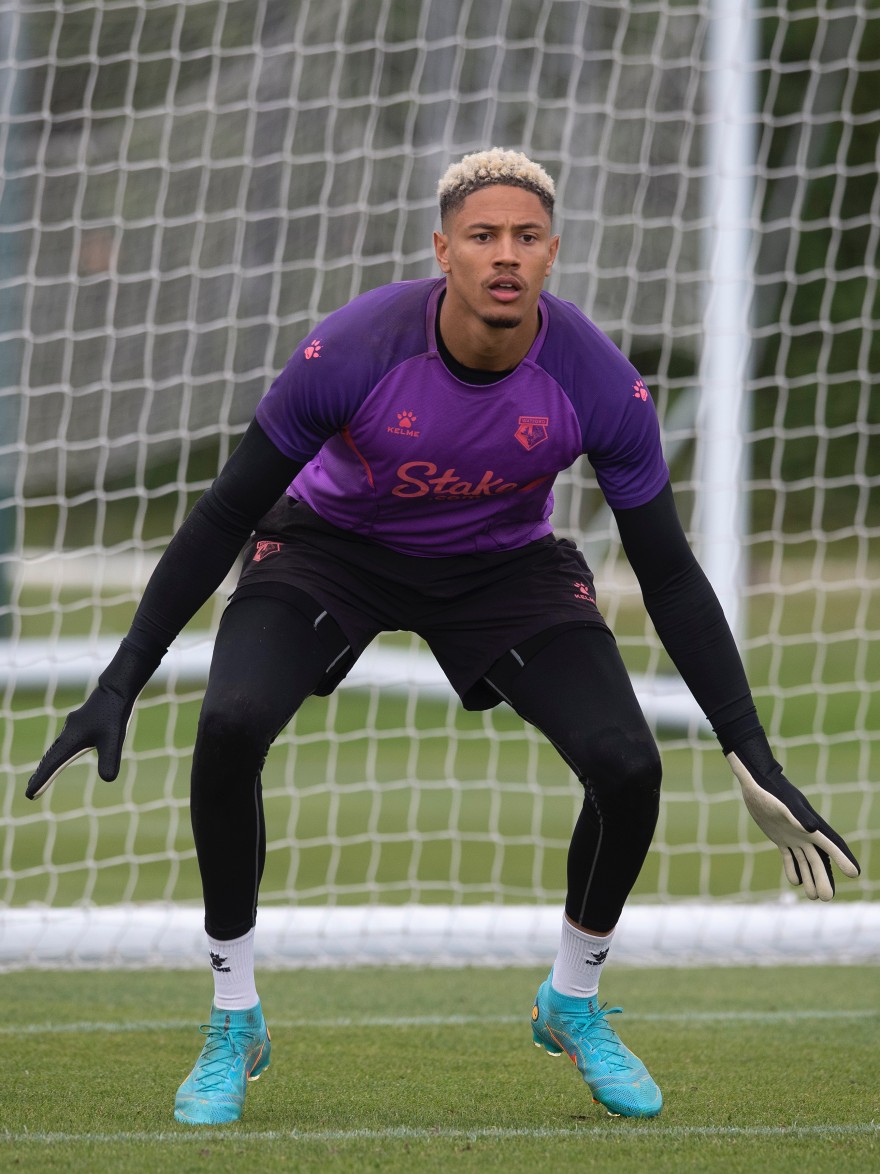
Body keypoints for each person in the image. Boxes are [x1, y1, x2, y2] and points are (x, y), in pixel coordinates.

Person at [26, 148, 860, 1125]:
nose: (504, 254)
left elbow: (669, 573)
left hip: (502, 567)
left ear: (552, 253)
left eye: (525, 236)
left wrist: (750, 751)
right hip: (330, 550)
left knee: (629, 764)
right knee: (231, 720)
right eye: (482, 235)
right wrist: (121, 680)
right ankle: (232, 1016)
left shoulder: (595, 381)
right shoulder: (355, 349)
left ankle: (573, 999)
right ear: (443, 250)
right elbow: (223, 514)